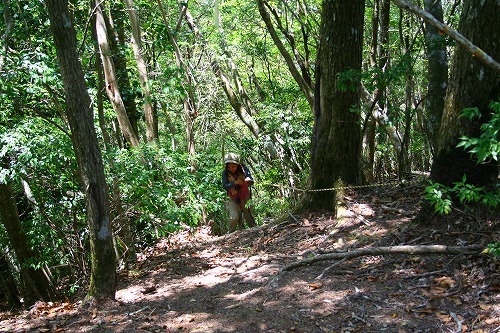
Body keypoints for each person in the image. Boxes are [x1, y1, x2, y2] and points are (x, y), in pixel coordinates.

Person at [221, 153, 256, 232]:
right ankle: (230, 235)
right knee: (234, 217)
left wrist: (248, 180)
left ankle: (255, 231)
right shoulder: (225, 173)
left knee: (248, 216)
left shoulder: (244, 169)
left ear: (237, 165)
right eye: (229, 167)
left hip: (245, 196)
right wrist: (235, 183)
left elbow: (251, 181)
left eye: (233, 166)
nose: (231, 168)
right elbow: (225, 186)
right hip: (232, 197)